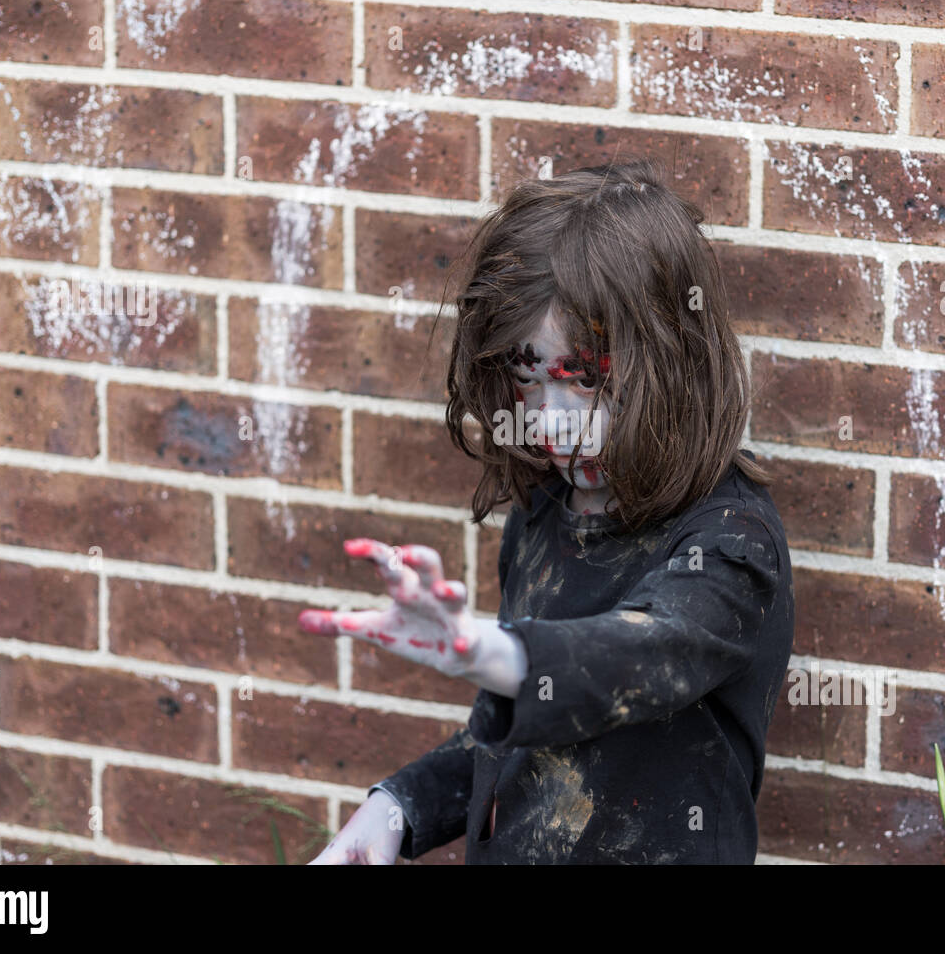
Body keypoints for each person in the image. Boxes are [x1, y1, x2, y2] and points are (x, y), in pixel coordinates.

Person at [298, 159, 794, 864]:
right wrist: (397, 807)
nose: (552, 424)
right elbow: (518, 739)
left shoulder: (730, 544)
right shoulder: (544, 516)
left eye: (587, 378)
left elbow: (644, 654)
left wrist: (492, 650)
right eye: (528, 376)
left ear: (669, 361)